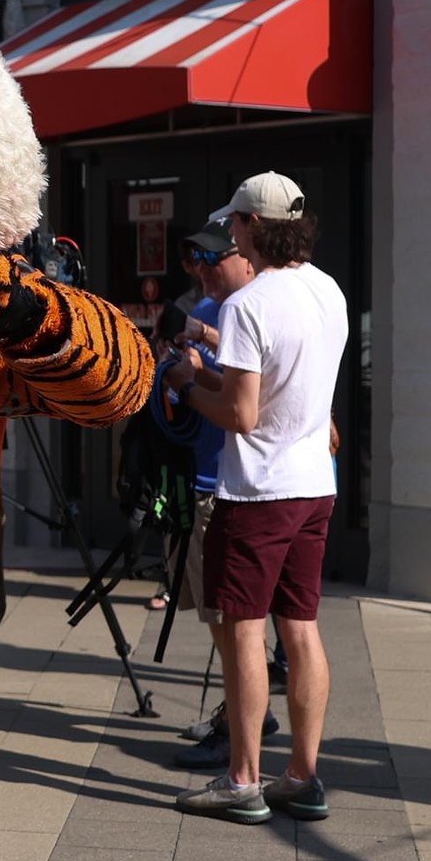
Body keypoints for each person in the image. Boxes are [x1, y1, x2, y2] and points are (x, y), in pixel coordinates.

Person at [167, 172, 348, 824]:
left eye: (234, 225)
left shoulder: (249, 303)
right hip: (313, 488)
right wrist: (209, 373)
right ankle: (302, 777)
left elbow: (242, 415)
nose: (230, 235)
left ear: (250, 226)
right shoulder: (327, 289)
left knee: (244, 631)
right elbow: (287, 390)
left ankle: (242, 780)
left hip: (257, 491)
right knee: (300, 629)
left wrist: (188, 385)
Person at [151, 221, 279, 768]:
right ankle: (243, 711)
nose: (202, 267)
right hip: (201, 480)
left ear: (247, 257)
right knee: (214, 612)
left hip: (233, 486)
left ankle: (239, 730)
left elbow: (256, 391)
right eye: (194, 258)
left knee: (231, 618)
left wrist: (192, 373)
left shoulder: (253, 308)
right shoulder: (208, 311)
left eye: (214, 256)